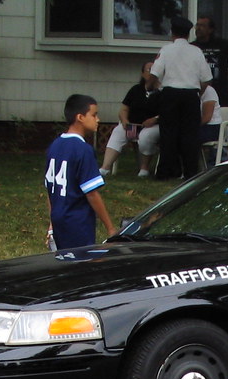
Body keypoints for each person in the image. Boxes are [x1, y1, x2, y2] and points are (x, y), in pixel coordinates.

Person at [44, 94, 115, 250]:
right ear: (80, 117)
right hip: (77, 223)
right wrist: (110, 228)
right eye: (94, 115)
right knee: (81, 264)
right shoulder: (83, 150)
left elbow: (50, 190)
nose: (98, 119)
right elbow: (91, 193)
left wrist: (52, 222)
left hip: (59, 220)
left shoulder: (55, 146)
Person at [150, 16, 211, 180]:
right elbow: (206, 79)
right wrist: (197, 92)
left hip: (170, 94)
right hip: (190, 95)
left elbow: (154, 73)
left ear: (172, 32)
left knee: (168, 134)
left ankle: (166, 172)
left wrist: (156, 87)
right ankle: (190, 172)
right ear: (188, 33)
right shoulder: (196, 51)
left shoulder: (166, 50)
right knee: (190, 135)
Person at [99, 61, 161, 178]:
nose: (152, 73)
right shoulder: (136, 90)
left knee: (146, 137)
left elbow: (167, 113)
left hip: (153, 126)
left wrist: (155, 119)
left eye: (155, 70)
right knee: (118, 131)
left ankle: (144, 169)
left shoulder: (163, 92)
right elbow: (123, 110)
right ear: (143, 74)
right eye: (149, 70)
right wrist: (125, 121)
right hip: (133, 125)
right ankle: (105, 168)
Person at [193, 15, 228, 109]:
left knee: (224, 116)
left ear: (210, 30)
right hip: (199, 89)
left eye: (202, 26)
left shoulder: (222, 44)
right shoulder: (192, 47)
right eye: (197, 25)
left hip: (221, 90)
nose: (198, 28)